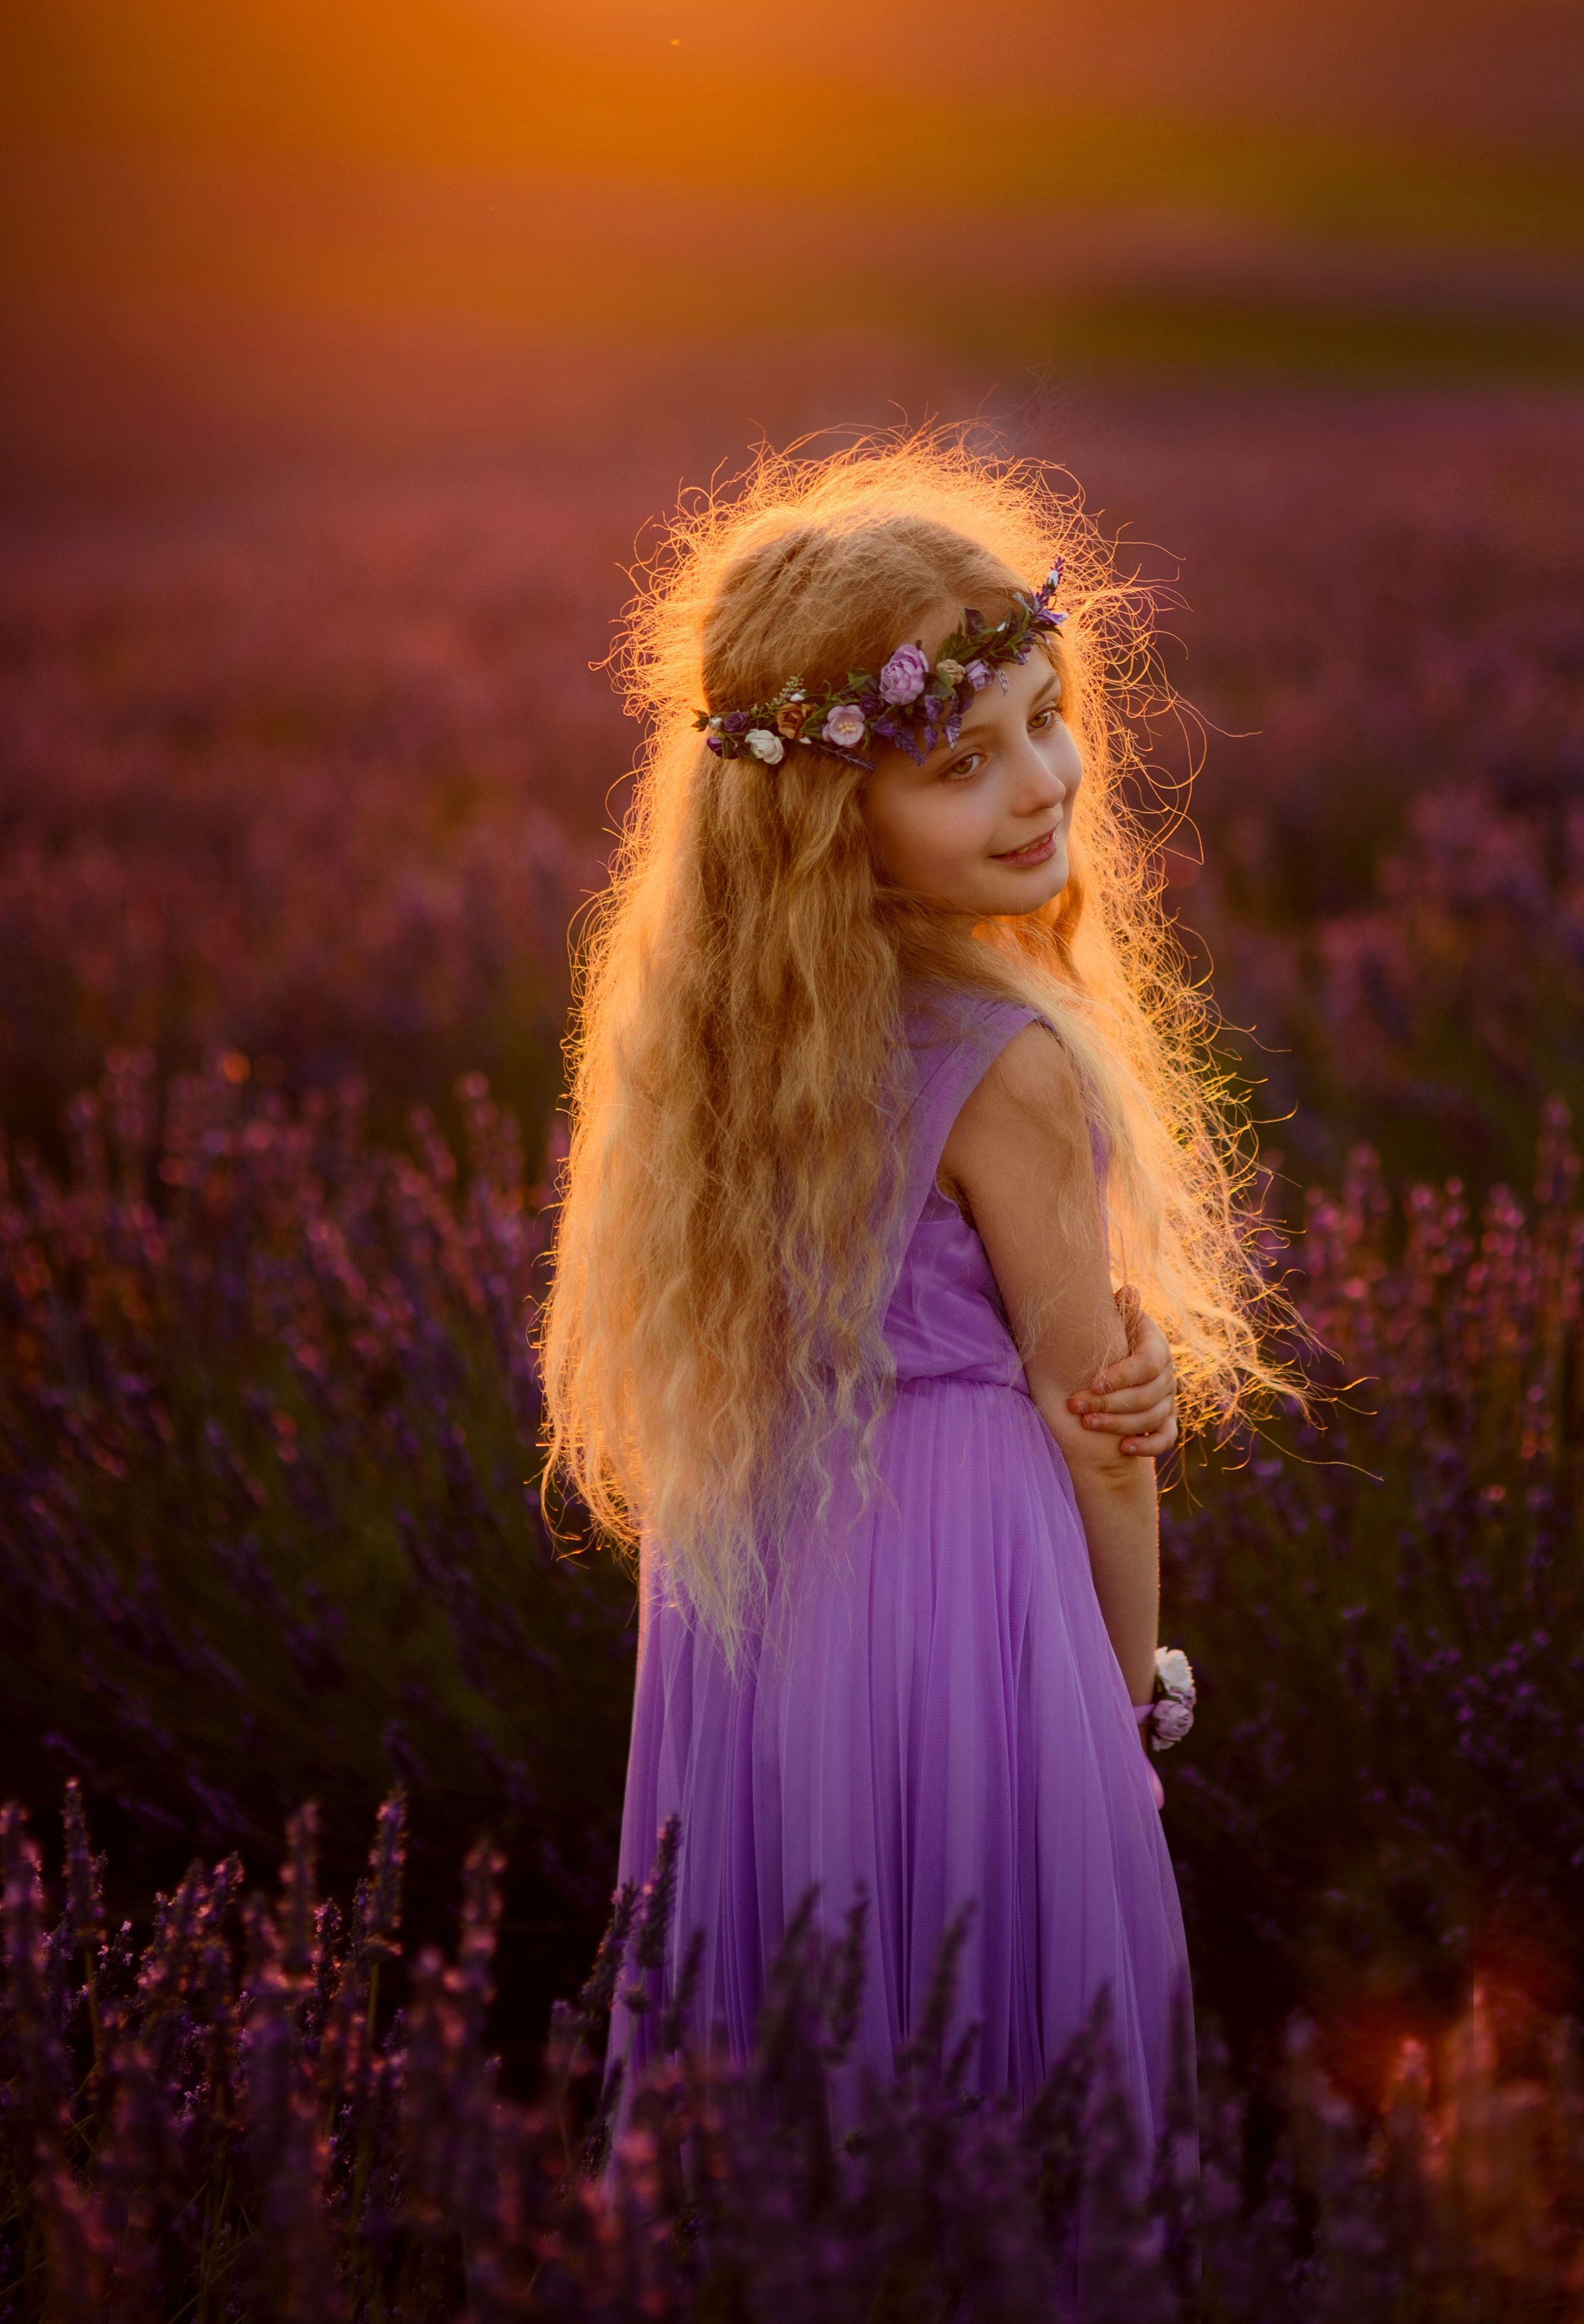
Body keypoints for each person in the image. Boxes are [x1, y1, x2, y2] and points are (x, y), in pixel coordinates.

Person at [536, 437, 1290, 2143]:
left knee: (807, 2064)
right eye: (962, 759)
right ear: (834, 814)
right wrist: (1124, 1698)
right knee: (1009, 2053)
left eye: (1045, 716)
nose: (1039, 781)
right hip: (971, 1599)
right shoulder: (1008, 1057)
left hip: (765, 1597)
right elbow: (1097, 1426)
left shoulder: (717, 1039)